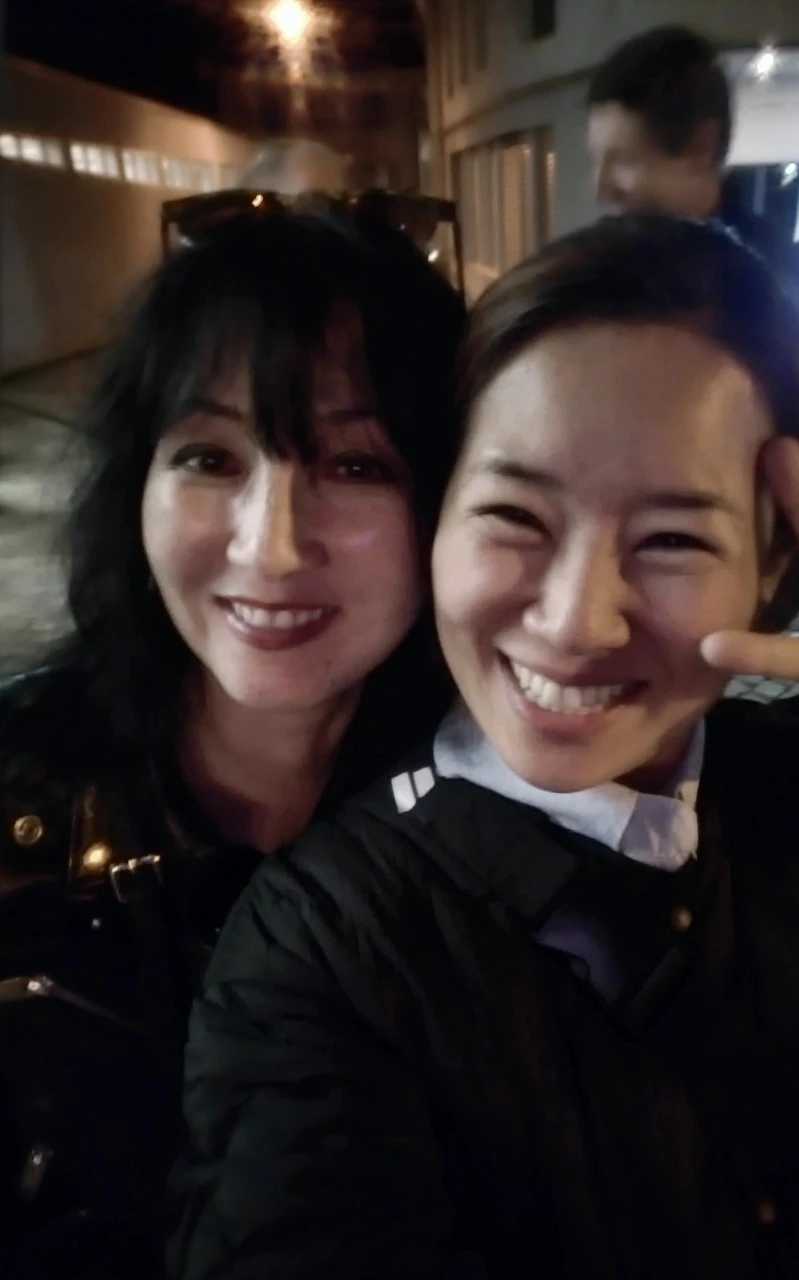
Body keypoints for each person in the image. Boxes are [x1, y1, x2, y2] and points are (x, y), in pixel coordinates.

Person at [173, 218, 799, 1279]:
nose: (575, 620)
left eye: (672, 538)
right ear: (437, 525)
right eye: (515, 516)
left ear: (775, 568)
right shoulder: (324, 951)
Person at [0, 207, 464, 1279]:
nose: (271, 545)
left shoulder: (497, 823)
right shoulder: (19, 786)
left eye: (356, 464)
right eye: (210, 455)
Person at [586, 25, 799, 508]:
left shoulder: (777, 283)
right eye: (595, 161)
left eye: (623, 160)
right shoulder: (619, 266)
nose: (600, 188)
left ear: (702, 149)